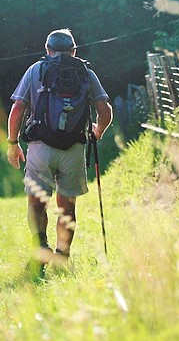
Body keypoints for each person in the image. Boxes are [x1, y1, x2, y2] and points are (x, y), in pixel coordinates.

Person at [6, 29, 113, 271]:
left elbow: (17, 110)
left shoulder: (35, 70)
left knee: (36, 203)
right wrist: (97, 132)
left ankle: (40, 248)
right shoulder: (86, 72)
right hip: (73, 148)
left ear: (47, 49)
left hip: (40, 148)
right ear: (74, 50)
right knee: (67, 207)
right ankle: (62, 257)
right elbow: (104, 110)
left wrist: (13, 144)